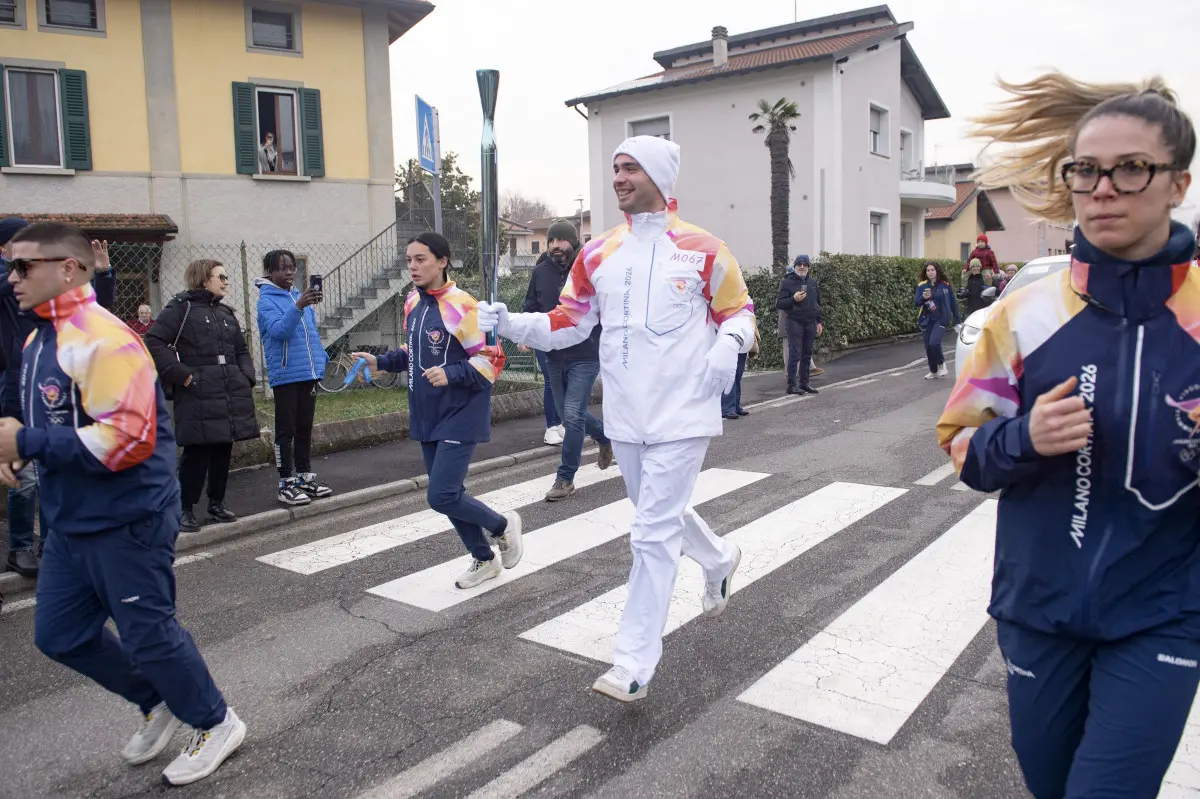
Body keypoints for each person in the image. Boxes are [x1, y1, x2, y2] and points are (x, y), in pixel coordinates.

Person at [937, 72, 1199, 799]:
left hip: (1164, 617)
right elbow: (964, 449)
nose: (1104, 188)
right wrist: (1025, 437)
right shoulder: (1023, 316)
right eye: (1086, 169)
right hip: (1039, 611)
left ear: (1177, 183)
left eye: (1131, 168)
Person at [476, 135, 754, 702]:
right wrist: (509, 322)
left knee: (651, 533)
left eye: (630, 168)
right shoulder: (598, 252)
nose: (619, 178)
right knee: (658, 512)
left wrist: (729, 347)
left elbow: (739, 311)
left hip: (685, 411)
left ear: (658, 176)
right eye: (615, 168)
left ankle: (633, 662)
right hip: (627, 413)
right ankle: (721, 559)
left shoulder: (704, 248)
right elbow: (568, 322)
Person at [0, 222, 245, 785]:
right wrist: (17, 453)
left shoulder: (103, 339)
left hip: (127, 517)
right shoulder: (41, 337)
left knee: (148, 634)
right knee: (58, 634)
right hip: (70, 522)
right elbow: (47, 417)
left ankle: (216, 721)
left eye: (22, 266)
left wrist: (28, 443)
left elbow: (127, 441)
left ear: (68, 268)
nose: (11, 277)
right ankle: (155, 700)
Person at [350, 232, 523, 589]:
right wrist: (381, 360)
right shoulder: (413, 301)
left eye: (421, 259)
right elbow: (414, 353)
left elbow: (493, 361)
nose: (412, 266)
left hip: (461, 412)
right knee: (450, 495)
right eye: (409, 260)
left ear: (442, 261)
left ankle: (503, 526)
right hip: (426, 412)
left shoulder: (463, 305)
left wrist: (452, 372)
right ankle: (484, 558)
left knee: (441, 495)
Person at [0, 218, 116, 578]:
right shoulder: (13, 282)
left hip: (56, 389)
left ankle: (53, 544)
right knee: (28, 476)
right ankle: (19, 547)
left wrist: (103, 274)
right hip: (17, 389)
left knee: (54, 472)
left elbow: (94, 309)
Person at [146, 260, 259, 532]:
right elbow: (153, 341)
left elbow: (241, 351)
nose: (226, 281)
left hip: (229, 390)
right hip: (197, 391)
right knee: (197, 451)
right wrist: (182, 374)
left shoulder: (226, 313)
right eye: (221, 276)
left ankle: (216, 503)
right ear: (203, 279)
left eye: (226, 276)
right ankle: (184, 509)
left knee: (223, 446)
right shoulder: (181, 309)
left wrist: (246, 377)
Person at [520, 219, 614, 501]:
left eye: (560, 241)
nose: (554, 246)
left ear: (572, 242)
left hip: (584, 354)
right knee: (566, 415)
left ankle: (565, 478)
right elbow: (531, 307)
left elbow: (606, 307)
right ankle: (606, 437)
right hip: (553, 354)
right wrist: (525, 333)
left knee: (572, 414)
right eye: (551, 241)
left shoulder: (589, 268)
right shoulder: (540, 272)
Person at [256, 250, 332, 506]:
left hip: (308, 373)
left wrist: (321, 359)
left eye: (292, 267)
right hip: (286, 374)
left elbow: (310, 334)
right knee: (285, 431)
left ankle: (304, 476)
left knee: (304, 429)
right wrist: (298, 306)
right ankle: (285, 482)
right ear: (269, 272)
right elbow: (279, 331)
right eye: (282, 268)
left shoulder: (299, 296)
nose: (290, 272)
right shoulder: (266, 300)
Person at [776, 254, 823, 395]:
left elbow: (817, 303)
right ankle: (791, 385)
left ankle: (804, 383)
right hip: (795, 321)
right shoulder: (787, 282)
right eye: (799, 264)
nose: (802, 267)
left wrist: (819, 321)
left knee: (807, 354)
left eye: (805, 264)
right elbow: (780, 303)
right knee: (795, 354)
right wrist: (793, 299)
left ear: (808, 267)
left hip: (810, 322)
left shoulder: (812, 282)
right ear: (795, 266)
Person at [915, 262, 960, 380]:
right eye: (928, 270)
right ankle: (933, 371)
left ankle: (941, 364)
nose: (930, 272)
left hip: (941, 318)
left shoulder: (945, 285)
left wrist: (957, 321)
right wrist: (923, 298)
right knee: (928, 347)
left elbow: (953, 303)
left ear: (937, 271)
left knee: (934, 343)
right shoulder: (922, 285)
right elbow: (917, 303)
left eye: (932, 270)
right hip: (926, 319)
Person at [721, 324, 758, 419]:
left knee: (738, 374)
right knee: (730, 373)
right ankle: (727, 408)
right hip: (728, 333)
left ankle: (735, 405)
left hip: (742, 334)